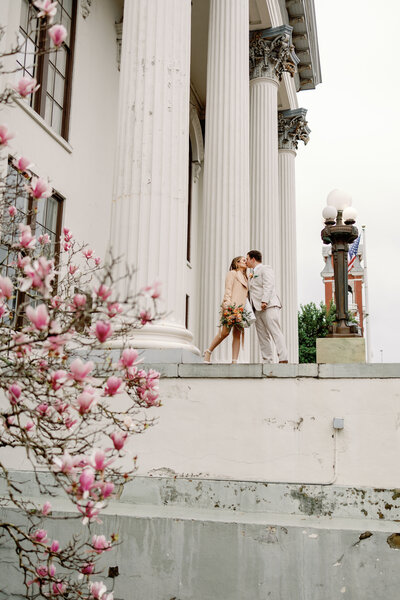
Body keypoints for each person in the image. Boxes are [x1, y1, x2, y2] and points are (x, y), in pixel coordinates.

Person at [204, 256, 248, 364]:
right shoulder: (232, 273)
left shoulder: (246, 278)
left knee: (237, 334)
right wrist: (227, 304)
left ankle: (234, 361)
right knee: (224, 333)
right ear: (237, 263)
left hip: (241, 309)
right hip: (231, 307)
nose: (246, 262)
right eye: (243, 260)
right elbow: (228, 289)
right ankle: (208, 352)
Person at [246, 250, 288, 363]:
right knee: (262, 336)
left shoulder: (265, 269)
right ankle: (267, 360)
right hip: (256, 309)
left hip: (268, 305)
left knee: (275, 331)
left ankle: (283, 358)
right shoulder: (250, 275)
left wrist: (265, 301)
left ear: (253, 259)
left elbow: (268, 284)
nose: (246, 262)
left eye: (247, 259)